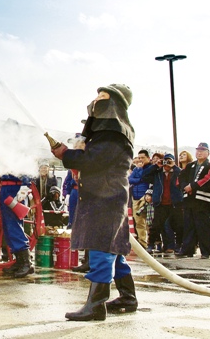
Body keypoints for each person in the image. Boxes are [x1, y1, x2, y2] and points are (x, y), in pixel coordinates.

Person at [51, 83, 137, 321]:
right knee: (115, 248)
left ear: (114, 104)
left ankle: (96, 305)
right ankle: (128, 297)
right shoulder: (111, 133)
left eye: (103, 96)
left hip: (105, 196)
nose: (97, 100)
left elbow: (94, 161)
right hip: (108, 194)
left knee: (101, 246)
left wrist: (66, 154)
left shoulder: (113, 134)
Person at [177, 142, 210, 259]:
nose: (199, 152)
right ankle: (188, 250)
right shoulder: (190, 166)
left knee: (203, 226)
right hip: (189, 200)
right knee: (188, 225)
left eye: (202, 150)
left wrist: (192, 186)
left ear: (208, 153)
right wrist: (185, 186)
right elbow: (181, 177)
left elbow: (207, 180)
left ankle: (205, 251)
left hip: (203, 201)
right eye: (198, 150)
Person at [142, 153, 183, 254]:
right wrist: (156, 165)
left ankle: (178, 245)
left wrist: (174, 166)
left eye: (169, 162)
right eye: (165, 161)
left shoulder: (177, 173)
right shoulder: (158, 173)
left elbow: (183, 177)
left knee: (178, 225)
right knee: (156, 225)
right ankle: (150, 244)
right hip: (160, 203)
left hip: (175, 203)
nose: (166, 164)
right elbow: (144, 176)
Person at [0, 174, 34, 278]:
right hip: (5, 188)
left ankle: (26, 262)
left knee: (14, 226)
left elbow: (26, 166)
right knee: (8, 226)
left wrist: (25, 186)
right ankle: (19, 261)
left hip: (14, 189)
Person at [128, 149, 151, 248]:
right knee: (138, 221)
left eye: (142, 158)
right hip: (135, 197)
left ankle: (150, 242)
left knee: (147, 221)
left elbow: (145, 178)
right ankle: (142, 243)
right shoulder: (136, 169)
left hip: (145, 196)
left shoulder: (149, 168)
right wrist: (139, 179)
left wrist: (139, 177)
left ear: (148, 158)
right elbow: (130, 179)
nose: (140, 160)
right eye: (139, 158)